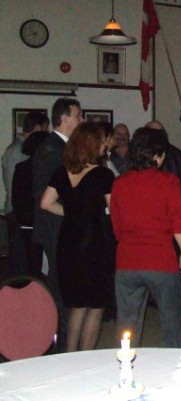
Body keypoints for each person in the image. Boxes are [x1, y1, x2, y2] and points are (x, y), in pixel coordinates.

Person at [110, 127, 181, 348]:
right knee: (171, 325)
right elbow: (178, 222)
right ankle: (173, 365)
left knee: (127, 326)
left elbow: (116, 226)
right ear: (158, 155)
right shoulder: (169, 181)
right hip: (161, 260)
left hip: (127, 260)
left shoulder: (119, 183)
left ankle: (126, 365)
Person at [40, 122, 115, 352]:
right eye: (101, 141)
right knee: (96, 306)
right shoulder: (103, 174)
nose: (104, 145)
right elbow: (115, 210)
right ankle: (86, 358)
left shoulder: (61, 172)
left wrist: (72, 212)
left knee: (77, 305)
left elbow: (45, 203)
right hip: (95, 242)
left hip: (69, 242)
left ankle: (70, 356)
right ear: (92, 144)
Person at [32, 97, 82, 352]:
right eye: (78, 115)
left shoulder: (60, 147)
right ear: (64, 118)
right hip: (55, 229)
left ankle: (64, 344)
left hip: (60, 228)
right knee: (60, 288)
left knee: (65, 286)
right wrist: (74, 213)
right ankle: (60, 347)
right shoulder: (52, 149)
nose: (81, 120)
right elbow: (44, 196)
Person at [2, 110, 49, 276]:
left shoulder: (18, 150)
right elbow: (15, 188)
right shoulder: (18, 151)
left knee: (27, 260)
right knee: (24, 262)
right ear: (38, 128)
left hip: (21, 213)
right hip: (20, 215)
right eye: (46, 128)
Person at [12, 131, 50, 277]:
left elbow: (17, 197)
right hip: (38, 221)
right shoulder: (44, 167)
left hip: (27, 222)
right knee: (40, 263)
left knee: (31, 263)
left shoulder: (22, 167)